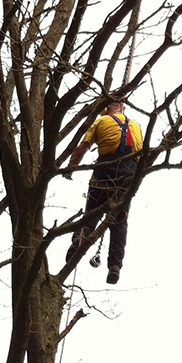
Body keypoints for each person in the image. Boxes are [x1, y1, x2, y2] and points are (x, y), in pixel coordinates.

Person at [65, 103, 143, 284]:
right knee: (120, 221)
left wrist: (70, 169)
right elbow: (142, 156)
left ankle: (79, 240)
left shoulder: (102, 121)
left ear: (106, 109)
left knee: (91, 211)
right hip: (128, 174)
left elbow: (82, 148)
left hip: (104, 171)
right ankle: (114, 265)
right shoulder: (136, 126)